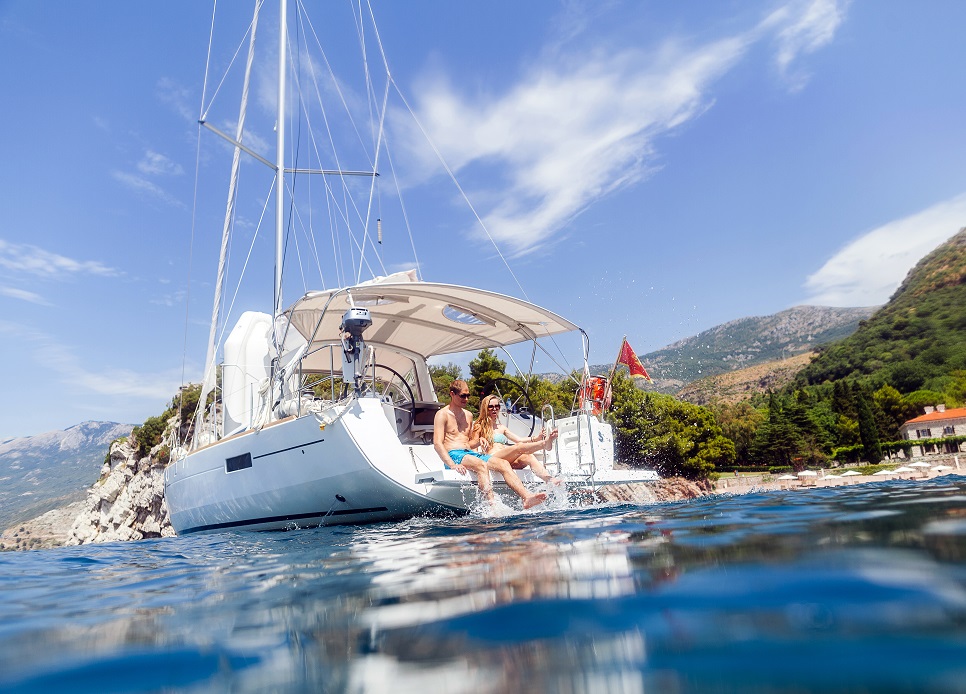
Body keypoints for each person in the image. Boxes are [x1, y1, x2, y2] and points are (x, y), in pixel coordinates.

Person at [433, 380, 556, 509]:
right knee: (481, 465)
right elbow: (437, 443)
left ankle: (526, 497)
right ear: (452, 394)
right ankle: (492, 506)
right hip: (454, 454)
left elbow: (469, 443)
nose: (466, 399)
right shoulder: (442, 415)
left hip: (468, 453)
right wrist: (452, 464)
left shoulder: (468, 415)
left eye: (468, 395)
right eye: (463, 396)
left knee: (503, 463)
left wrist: (479, 441)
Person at [474, 394, 562, 486]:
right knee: (518, 447)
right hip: (491, 459)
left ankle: (549, 479)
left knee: (528, 456)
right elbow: (473, 447)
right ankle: (545, 444)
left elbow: (518, 439)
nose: (494, 409)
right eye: (491, 406)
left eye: (497, 406)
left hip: (505, 459)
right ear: (485, 408)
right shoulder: (479, 426)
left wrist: (536, 438)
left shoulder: (501, 427)